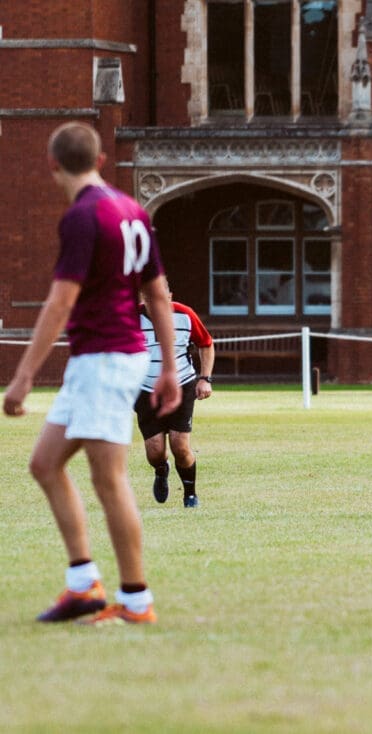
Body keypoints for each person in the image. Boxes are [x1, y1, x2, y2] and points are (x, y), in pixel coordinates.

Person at [2, 122, 181, 626]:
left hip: (105, 358)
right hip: (107, 359)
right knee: (44, 463)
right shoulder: (134, 212)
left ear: (52, 164)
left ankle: (136, 599)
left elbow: (60, 302)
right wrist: (167, 365)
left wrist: (22, 378)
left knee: (109, 479)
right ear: (102, 160)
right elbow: (159, 295)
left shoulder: (83, 217)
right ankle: (84, 585)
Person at [135, 291, 215, 507]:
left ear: (169, 295)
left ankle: (190, 494)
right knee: (155, 451)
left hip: (182, 384)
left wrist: (205, 379)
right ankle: (161, 470)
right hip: (145, 389)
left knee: (180, 445)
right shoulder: (131, 318)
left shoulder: (184, 314)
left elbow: (206, 343)